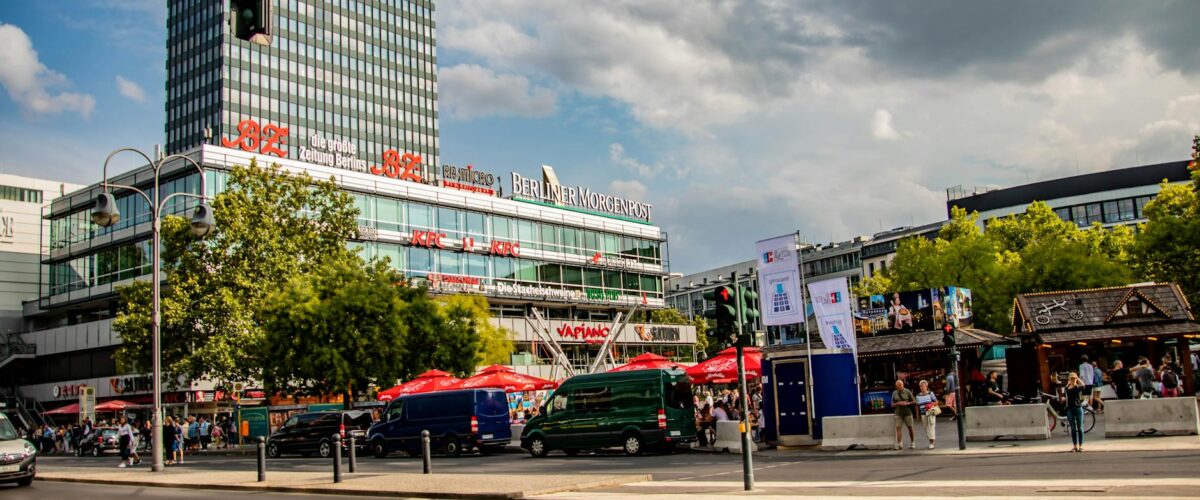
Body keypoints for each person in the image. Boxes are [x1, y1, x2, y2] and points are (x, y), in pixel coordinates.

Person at [1064, 372, 1086, 452]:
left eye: (1074, 378)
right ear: (1069, 379)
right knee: (1073, 428)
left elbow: (1083, 385)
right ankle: (1074, 446)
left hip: (1078, 408)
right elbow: (1065, 394)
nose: (1073, 380)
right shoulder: (1067, 388)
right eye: (1071, 378)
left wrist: (1077, 378)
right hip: (1069, 408)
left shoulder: (1078, 387)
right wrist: (1069, 382)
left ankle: (1080, 446)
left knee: (1080, 428)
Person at [891, 379, 916, 450]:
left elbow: (914, 401)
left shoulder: (907, 391)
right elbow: (892, 405)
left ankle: (913, 442)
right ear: (896, 386)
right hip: (898, 413)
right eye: (899, 385)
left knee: (910, 427)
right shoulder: (894, 393)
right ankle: (899, 443)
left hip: (907, 412)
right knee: (898, 428)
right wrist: (898, 403)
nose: (900, 386)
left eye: (901, 384)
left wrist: (908, 403)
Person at [915, 380, 938, 449]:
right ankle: (931, 439)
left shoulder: (930, 393)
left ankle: (931, 442)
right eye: (921, 386)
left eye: (924, 386)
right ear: (920, 387)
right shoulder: (918, 396)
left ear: (926, 386)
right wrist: (917, 416)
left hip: (930, 412)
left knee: (931, 426)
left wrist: (930, 404)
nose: (923, 387)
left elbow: (936, 402)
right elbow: (917, 406)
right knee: (926, 428)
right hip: (923, 413)